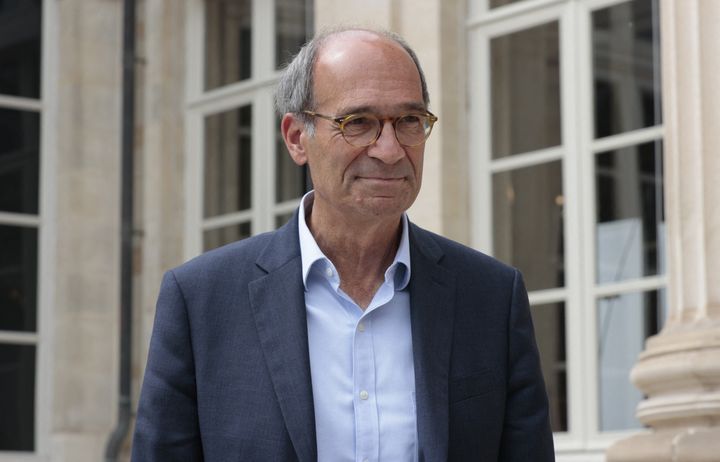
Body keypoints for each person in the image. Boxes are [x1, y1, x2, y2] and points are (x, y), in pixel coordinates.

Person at [132, 27, 554, 462]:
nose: (390, 150)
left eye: (409, 121)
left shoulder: (491, 297)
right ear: (297, 137)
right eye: (358, 123)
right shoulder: (202, 301)